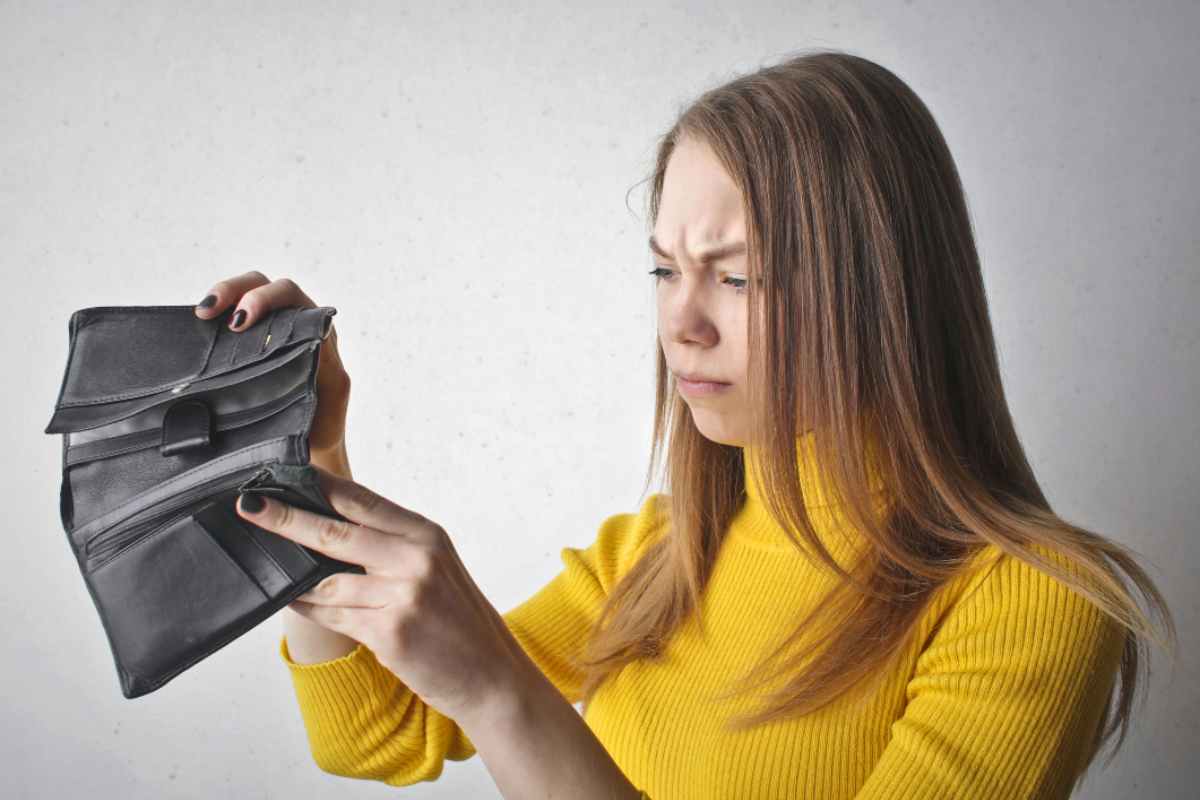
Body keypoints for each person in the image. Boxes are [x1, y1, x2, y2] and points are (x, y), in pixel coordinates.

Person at [193, 49, 1176, 799]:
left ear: (882, 297)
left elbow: (473, 699)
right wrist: (307, 455)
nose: (680, 320)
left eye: (735, 274)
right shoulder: (662, 551)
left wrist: (502, 690)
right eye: (664, 268)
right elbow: (374, 731)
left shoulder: (1035, 604)